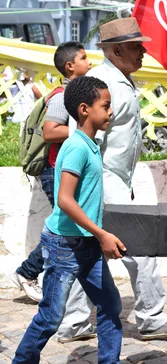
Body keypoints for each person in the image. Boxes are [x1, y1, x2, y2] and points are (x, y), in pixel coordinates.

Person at [60, 18, 167, 341]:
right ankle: (152, 317)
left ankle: (74, 323)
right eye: (136, 46)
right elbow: (88, 142)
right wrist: (93, 190)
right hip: (105, 179)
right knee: (140, 245)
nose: (143, 52)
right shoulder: (102, 85)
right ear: (117, 50)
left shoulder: (115, 80)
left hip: (113, 179)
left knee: (89, 253)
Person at [13, 75, 124, 364]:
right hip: (64, 246)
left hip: (87, 245)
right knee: (50, 318)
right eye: (106, 105)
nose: (111, 111)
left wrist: (98, 235)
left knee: (110, 307)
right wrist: (102, 234)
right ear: (85, 109)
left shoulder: (90, 144)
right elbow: (64, 200)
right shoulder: (76, 147)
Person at [10, 42, 92, 304]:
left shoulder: (79, 93)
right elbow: (49, 131)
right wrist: (84, 129)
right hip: (54, 170)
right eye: (83, 57)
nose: (89, 62)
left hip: (66, 169)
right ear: (70, 66)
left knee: (67, 228)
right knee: (63, 228)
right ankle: (27, 272)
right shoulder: (61, 97)